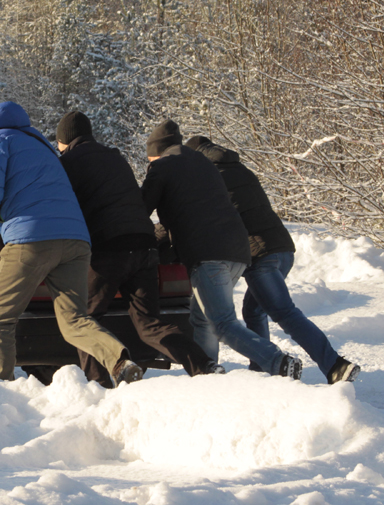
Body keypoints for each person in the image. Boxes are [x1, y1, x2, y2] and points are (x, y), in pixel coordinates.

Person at [0, 101, 143, 385]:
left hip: (30, 239)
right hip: (75, 239)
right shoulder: (38, 142)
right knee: (74, 320)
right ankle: (119, 361)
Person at [54, 111, 223, 383]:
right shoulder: (114, 156)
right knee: (148, 324)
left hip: (108, 248)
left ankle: (100, 384)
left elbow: (62, 205)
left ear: (65, 139)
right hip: (144, 245)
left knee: (85, 318)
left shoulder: (68, 162)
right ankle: (204, 365)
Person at [186, 136, 360, 384]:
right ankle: (262, 368)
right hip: (282, 248)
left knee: (284, 313)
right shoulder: (240, 168)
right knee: (254, 310)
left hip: (260, 253)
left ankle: (334, 364)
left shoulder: (211, 178)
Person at [141, 119, 302, 378]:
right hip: (238, 250)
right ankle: (207, 374)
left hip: (209, 255)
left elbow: (141, 212)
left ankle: (278, 362)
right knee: (202, 319)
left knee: (223, 323)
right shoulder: (203, 164)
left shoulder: (162, 167)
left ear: (155, 153)